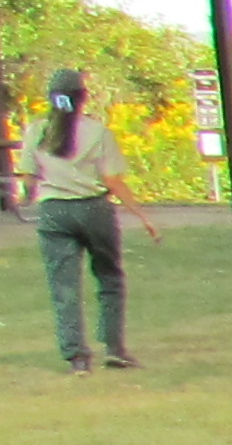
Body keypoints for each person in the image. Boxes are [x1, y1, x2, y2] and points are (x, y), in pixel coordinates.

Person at [18, 67, 144, 375]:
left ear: (51, 98)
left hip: (54, 212)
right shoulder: (97, 132)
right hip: (94, 210)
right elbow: (113, 180)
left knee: (64, 285)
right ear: (83, 98)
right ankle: (114, 348)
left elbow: (28, 177)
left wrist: (25, 195)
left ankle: (77, 357)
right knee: (109, 276)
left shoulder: (36, 131)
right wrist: (142, 215)